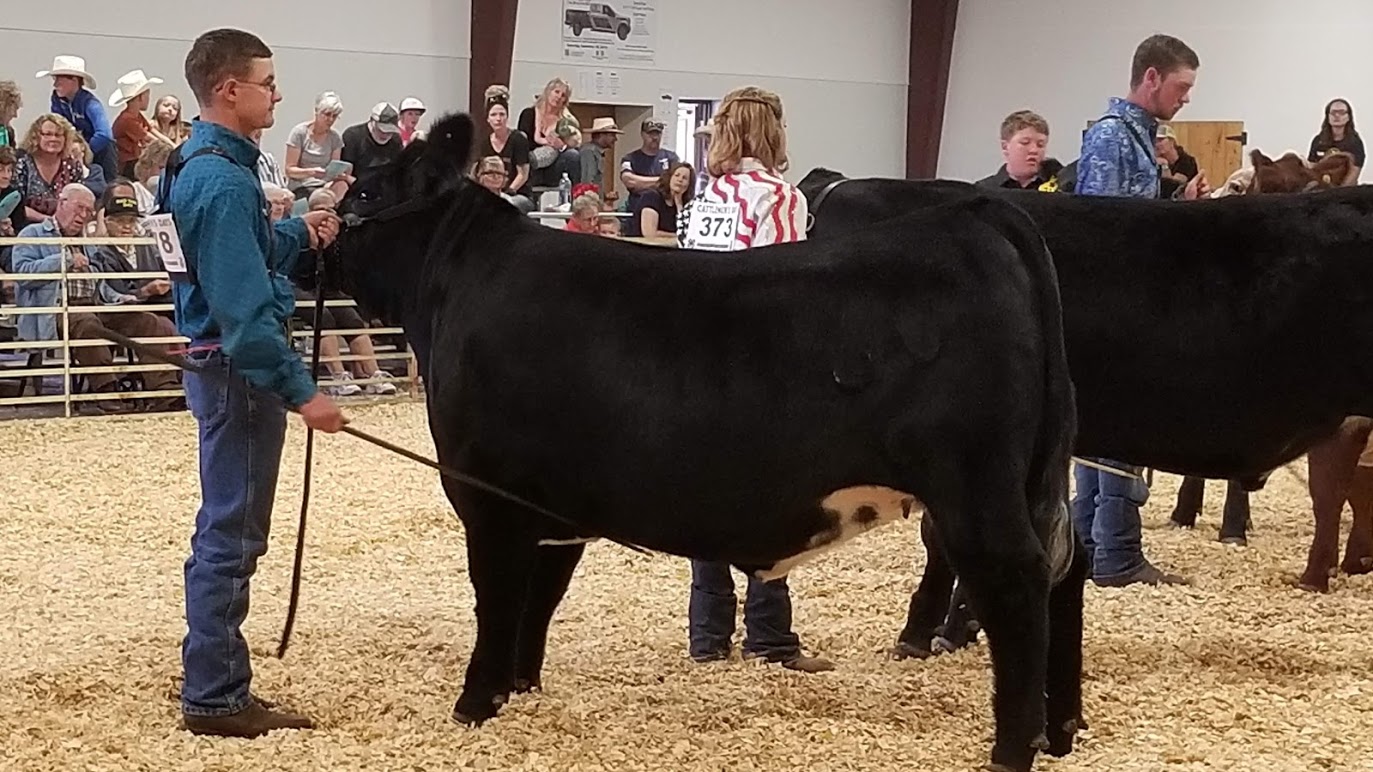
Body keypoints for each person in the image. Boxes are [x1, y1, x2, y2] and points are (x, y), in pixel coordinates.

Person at [167, 27, 347, 738]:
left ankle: (206, 670)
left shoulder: (197, 164)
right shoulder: (221, 178)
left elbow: (232, 252)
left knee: (221, 526)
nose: (277, 94)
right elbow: (244, 317)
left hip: (213, 365)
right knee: (233, 535)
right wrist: (304, 392)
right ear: (228, 89)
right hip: (239, 373)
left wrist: (298, 232)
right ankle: (214, 695)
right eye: (267, 82)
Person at [676, 86, 830, 672]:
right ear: (772, 133)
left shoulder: (704, 198)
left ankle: (707, 636)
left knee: (707, 501)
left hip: (697, 366)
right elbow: (789, 293)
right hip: (760, 372)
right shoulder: (782, 198)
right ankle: (770, 635)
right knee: (770, 504)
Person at [1073, 33, 1205, 588]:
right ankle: (1115, 553)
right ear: (1151, 77)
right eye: (1181, 86)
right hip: (1114, 308)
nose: (1186, 99)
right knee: (1119, 428)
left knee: (1102, 430)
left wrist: (1175, 207)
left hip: (1120, 305)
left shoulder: (1134, 138)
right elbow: (1102, 229)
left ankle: (1088, 548)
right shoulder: (1111, 139)